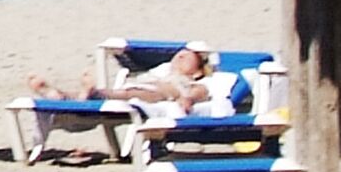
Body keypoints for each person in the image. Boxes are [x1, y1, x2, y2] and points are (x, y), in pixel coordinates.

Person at [26, 44, 214, 108]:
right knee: (124, 92)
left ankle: (94, 94)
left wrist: (188, 97)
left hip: (159, 95)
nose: (181, 55)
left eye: (188, 56)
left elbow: (201, 92)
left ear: (197, 71)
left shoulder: (192, 81)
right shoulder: (160, 72)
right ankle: (60, 95)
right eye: (178, 54)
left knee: (126, 95)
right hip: (138, 89)